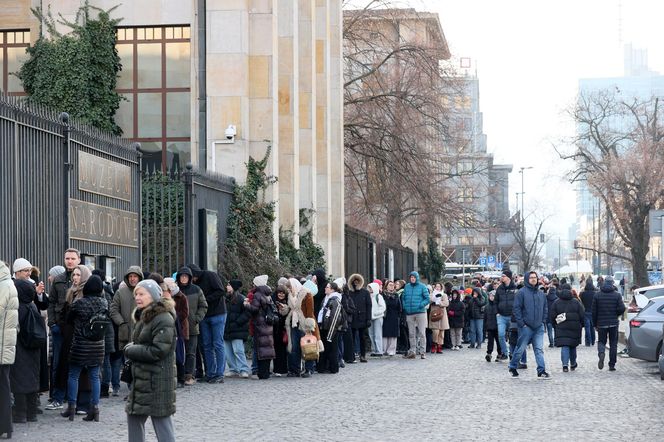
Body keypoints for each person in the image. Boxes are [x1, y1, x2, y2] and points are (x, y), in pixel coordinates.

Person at [124, 279, 177, 442]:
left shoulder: (163, 318)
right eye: (136, 294)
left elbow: (158, 350)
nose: (137, 297)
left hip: (158, 381)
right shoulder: (144, 317)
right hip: (142, 380)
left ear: (153, 296)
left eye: (141, 294)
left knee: (162, 423)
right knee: (134, 418)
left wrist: (131, 349)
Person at [62, 275, 107, 422]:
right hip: (97, 345)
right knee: (95, 377)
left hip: (80, 344)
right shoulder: (104, 302)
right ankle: (95, 409)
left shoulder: (79, 303)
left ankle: (71, 407)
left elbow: (68, 320)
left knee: (73, 375)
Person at [46, 248, 81, 411]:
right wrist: (52, 324)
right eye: (67, 258)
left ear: (78, 260)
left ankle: (74, 398)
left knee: (76, 362)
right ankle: (57, 396)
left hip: (76, 328)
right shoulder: (59, 280)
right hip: (60, 326)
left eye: (73, 258)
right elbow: (51, 302)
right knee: (58, 363)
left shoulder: (84, 278)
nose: (70, 261)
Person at [187, 264, 227, 384]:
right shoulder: (194, 285)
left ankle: (219, 373)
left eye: (193, 277)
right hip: (205, 315)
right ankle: (210, 373)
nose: (192, 280)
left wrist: (205, 299)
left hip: (218, 313)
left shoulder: (210, 275)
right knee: (206, 345)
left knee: (218, 343)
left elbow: (220, 291)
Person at [508, 271, 550, 379]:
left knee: (539, 349)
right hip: (526, 326)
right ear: (527, 279)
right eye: (531, 277)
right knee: (520, 348)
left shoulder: (541, 294)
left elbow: (545, 308)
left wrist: (543, 321)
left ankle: (541, 370)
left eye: (535, 277)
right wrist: (522, 324)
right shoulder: (521, 293)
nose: (533, 279)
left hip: (538, 327)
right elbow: (516, 309)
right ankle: (512, 366)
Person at [175, 267, 207, 385]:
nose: (183, 278)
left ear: (189, 278)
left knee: (191, 352)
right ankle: (179, 375)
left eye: (186, 276)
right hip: (177, 326)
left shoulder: (196, 289)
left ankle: (189, 375)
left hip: (192, 326)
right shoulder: (175, 290)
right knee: (177, 352)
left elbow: (203, 306)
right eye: (181, 276)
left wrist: (196, 319)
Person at [285, 278, 320, 377]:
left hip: (304, 325)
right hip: (293, 324)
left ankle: (309, 369)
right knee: (294, 348)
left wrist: (309, 325)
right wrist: (284, 308)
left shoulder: (306, 294)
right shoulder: (290, 295)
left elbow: (310, 311)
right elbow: (290, 309)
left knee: (308, 347)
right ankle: (295, 370)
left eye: (290, 287)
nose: (289, 289)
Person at [0, 261, 19, 439]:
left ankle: (5, 425)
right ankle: (6, 426)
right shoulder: (7, 283)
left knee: (3, 387)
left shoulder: (3, 285)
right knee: (4, 386)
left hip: (1, 345)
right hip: (4, 345)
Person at [592, 276, 625, 371]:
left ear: (604, 283)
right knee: (613, 344)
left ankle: (601, 353)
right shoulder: (617, 295)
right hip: (613, 323)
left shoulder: (597, 295)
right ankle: (612, 364)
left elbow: (594, 311)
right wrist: (616, 313)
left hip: (601, 323)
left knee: (602, 341)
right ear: (612, 283)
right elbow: (622, 308)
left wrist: (594, 324)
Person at [549, 283, 584, 372]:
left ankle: (565, 365)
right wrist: (581, 325)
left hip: (561, 327)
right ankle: (573, 363)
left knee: (565, 345)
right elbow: (582, 315)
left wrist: (555, 325)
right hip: (574, 327)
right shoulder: (576, 302)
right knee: (573, 345)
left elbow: (552, 316)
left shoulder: (556, 302)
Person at [244, 284, 276, 379]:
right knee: (267, 348)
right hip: (268, 324)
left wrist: (246, 305)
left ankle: (262, 373)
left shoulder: (257, 294)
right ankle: (266, 372)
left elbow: (254, 309)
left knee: (261, 348)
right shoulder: (268, 295)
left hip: (260, 324)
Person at [224, 280, 250, 378]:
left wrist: (238, 322)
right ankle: (233, 369)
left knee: (238, 350)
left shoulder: (241, 298)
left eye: (229, 285)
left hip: (238, 329)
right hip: (227, 329)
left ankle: (243, 369)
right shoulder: (226, 299)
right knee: (228, 352)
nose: (227, 287)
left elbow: (247, 313)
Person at [317, 282, 344, 374]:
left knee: (332, 349)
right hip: (324, 327)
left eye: (327, 287)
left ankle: (333, 368)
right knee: (325, 348)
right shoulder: (326, 298)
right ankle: (323, 367)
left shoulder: (335, 300)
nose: (325, 288)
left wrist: (331, 331)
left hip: (331, 328)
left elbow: (335, 317)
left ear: (332, 289)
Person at [401, 271, 430, 359]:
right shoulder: (407, 286)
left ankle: (422, 352)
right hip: (410, 313)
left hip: (420, 313)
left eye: (414, 277)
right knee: (411, 333)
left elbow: (427, 298)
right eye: (411, 277)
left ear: (416, 278)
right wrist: (405, 306)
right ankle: (412, 351)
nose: (412, 279)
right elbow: (403, 297)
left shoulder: (422, 286)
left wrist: (421, 305)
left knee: (421, 333)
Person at [348, 274, 372, 363]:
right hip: (352, 318)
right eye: (354, 282)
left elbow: (369, 306)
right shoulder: (349, 293)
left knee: (363, 338)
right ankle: (352, 355)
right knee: (352, 337)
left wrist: (368, 318)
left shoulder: (365, 292)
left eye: (357, 281)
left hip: (363, 317)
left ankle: (363, 355)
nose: (355, 283)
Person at [494, 269, 517, 360]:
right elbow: (495, 301)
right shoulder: (500, 288)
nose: (501, 278)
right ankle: (504, 352)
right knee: (501, 334)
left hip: (512, 316)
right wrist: (497, 312)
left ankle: (512, 352)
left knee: (512, 336)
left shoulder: (515, 288)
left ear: (508, 277)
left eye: (503, 276)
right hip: (501, 316)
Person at [272, 284, 290, 376]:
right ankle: (276, 369)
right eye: (279, 293)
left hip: (283, 329)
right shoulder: (273, 301)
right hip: (275, 329)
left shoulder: (287, 302)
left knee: (283, 350)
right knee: (276, 349)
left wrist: (284, 310)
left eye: (283, 293)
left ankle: (283, 369)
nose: (281, 295)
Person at [428, 283, 449, 354]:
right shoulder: (432, 294)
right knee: (435, 331)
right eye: (436, 286)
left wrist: (439, 302)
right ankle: (434, 344)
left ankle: (439, 346)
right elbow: (429, 300)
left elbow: (446, 303)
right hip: (434, 314)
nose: (437, 288)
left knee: (441, 332)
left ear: (441, 287)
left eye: (439, 286)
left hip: (442, 314)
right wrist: (434, 299)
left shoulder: (444, 295)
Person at [381, 281, 401, 356]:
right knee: (385, 333)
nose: (392, 286)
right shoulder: (383, 295)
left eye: (393, 285)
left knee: (393, 334)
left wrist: (398, 315)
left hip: (394, 316)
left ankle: (391, 350)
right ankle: (384, 349)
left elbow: (399, 306)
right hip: (385, 316)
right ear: (386, 286)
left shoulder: (396, 295)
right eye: (390, 285)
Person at [367, 282, 385, 357]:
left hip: (378, 317)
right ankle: (374, 349)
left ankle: (379, 350)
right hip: (370, 318)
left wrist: (375, 313)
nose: (369, 289)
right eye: (369, 288)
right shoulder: (368, 296)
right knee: (371, 334)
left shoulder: (379, 296)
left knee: (378, 334)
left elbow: (383, 307)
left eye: (371, 288)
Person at [484, 292, 502, 362]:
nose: (491, 297)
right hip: (490, 327)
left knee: (498, 341)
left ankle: (500, 354)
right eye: (490, 296)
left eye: (493, 296)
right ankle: (489, 353)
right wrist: (485, 327)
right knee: (490, 342)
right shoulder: (487, 307)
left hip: (498, 327)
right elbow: (485, 318)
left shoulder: (498, 306)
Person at [579, 279, 596, 346]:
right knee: (592, 327)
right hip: (593, 312)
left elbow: (581, 302)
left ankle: (588, 341)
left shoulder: (583, 294)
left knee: (587, 328)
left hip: (586, 311)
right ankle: (593, 340)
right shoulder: (595, 294)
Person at [544, 279, 558, 348]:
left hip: (548, 316)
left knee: (549, 330)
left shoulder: (546, 298)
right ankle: (555, 342)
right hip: (555, 317)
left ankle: (551, 343)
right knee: (555, 330)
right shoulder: (557, 299)